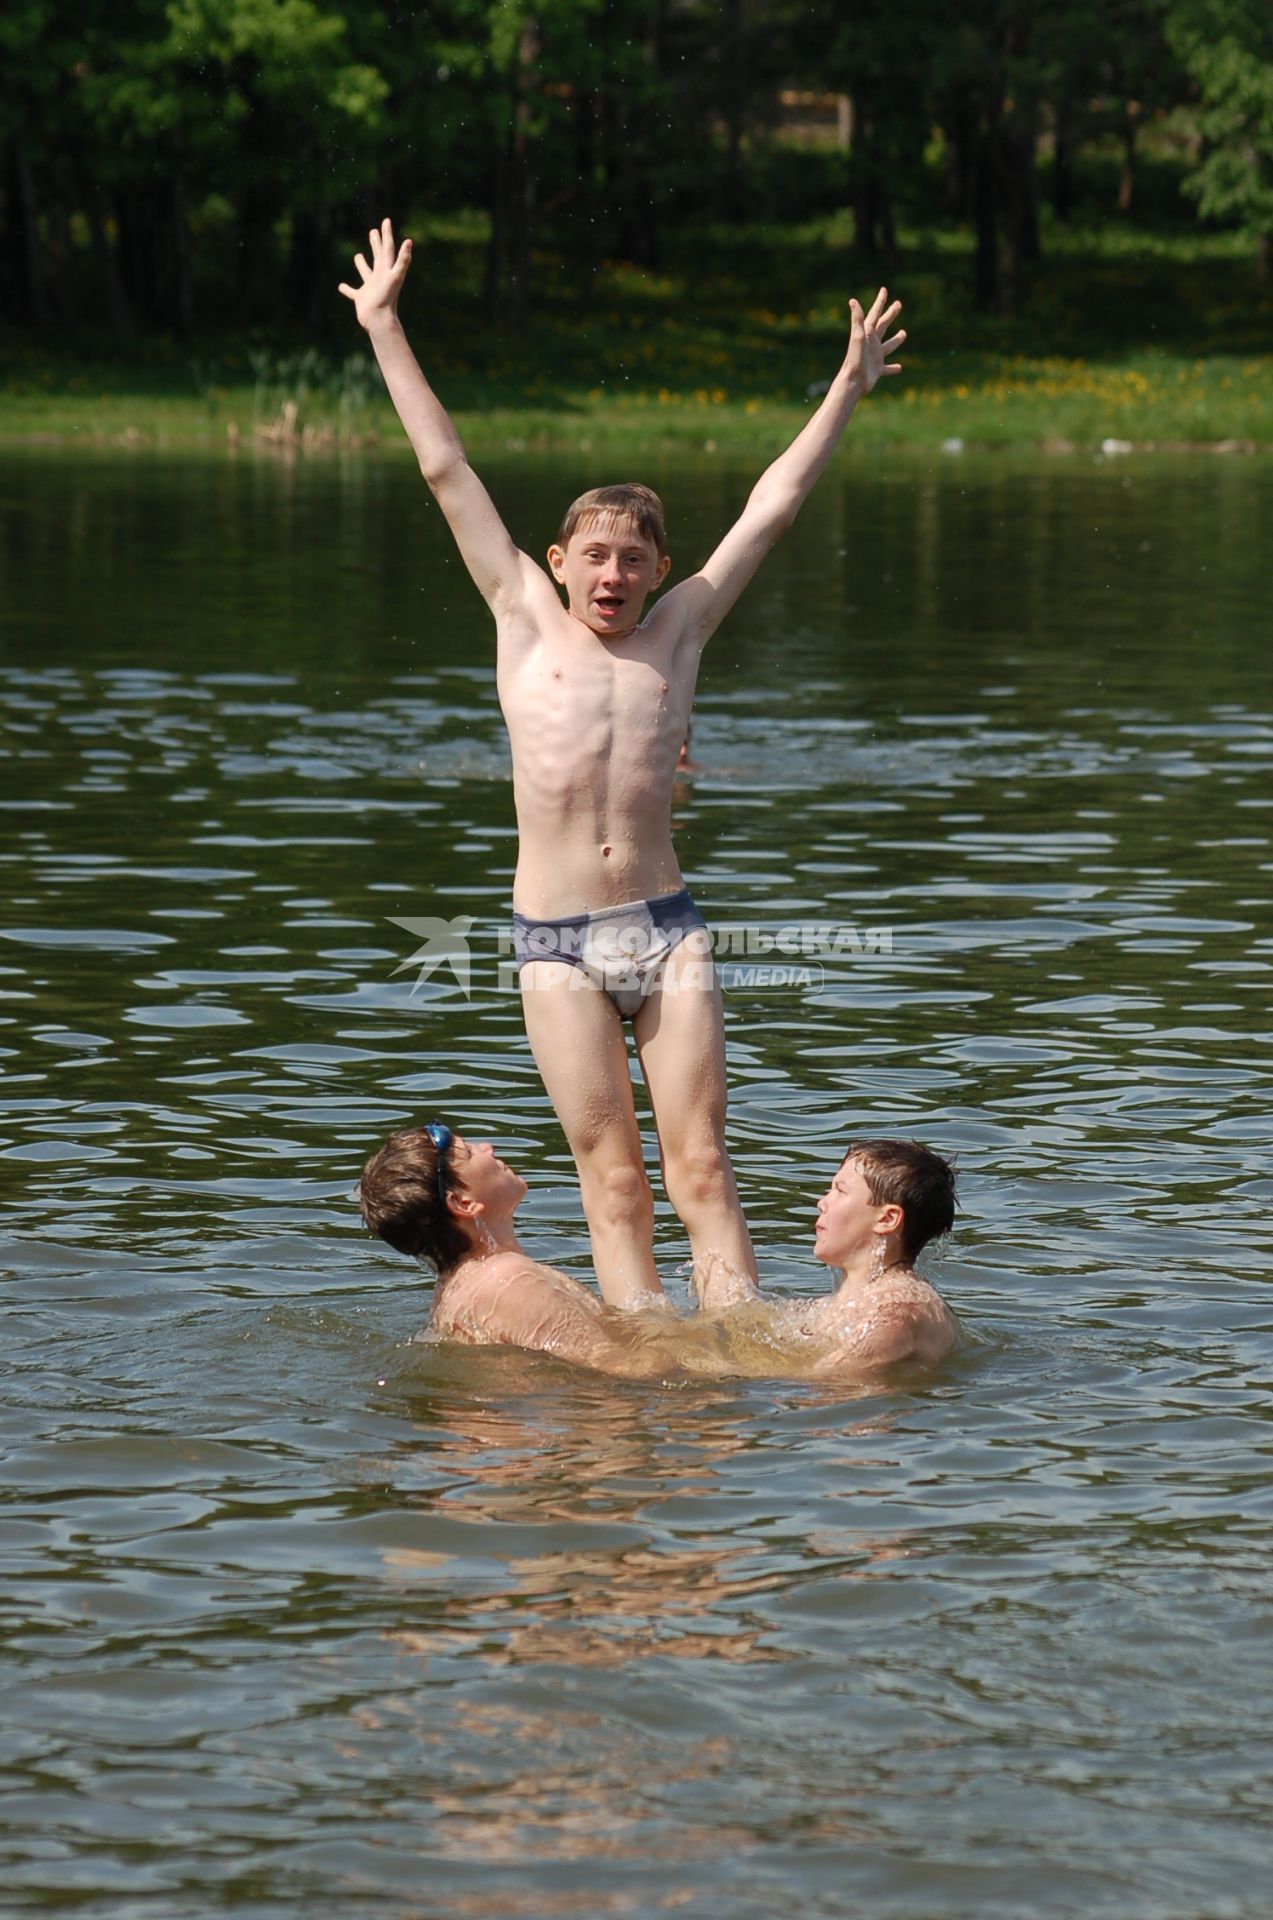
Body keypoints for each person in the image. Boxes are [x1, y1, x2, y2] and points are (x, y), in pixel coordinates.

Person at [341, 220, 905, 1314]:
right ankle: (645, 1358)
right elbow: (443, 464)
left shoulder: (680, 632)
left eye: (633, 559)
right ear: (557, 564)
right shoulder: (520, 618)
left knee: (700, 1171)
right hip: (554, 942)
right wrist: (384, 325)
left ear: (657, 570)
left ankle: (736, 1346)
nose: (613, 574)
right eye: (593, 556)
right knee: (615, 1184)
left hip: (665, 927)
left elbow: (771, 509)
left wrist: (847, 383)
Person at [357, 1124, 958, 1380]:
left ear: (886, 1219)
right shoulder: (512, 1285)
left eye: (837, 1189)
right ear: (463, 1204)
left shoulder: (475, 1283)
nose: (488, 1146)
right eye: (468, 1151)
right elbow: (629, 1372)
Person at [694, 1138, 960, 1371]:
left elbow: (831, 1378)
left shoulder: (901, 1311)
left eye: (840, 1191)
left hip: (864, 1425)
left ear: (887, 1218)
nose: (822, 1202)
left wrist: (716, 1372)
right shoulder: (854, 1301)